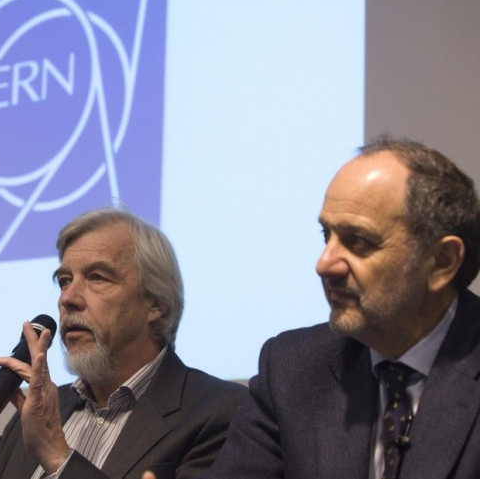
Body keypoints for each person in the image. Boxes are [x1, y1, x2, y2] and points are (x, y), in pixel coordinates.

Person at [180, 136, 480, 479]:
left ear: (441, 262)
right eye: (327, 236)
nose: (325, 264)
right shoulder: (292, 368)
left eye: (359, 242)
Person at [0, 207, 246, 479]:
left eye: (97, 277)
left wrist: (59, 457)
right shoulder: (44, 410)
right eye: (63, 280)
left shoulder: (220, 413)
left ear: (155, 304)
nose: (68, 299)